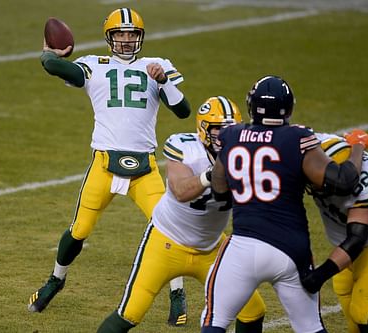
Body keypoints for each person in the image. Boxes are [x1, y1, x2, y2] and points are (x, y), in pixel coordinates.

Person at [28, 7, 191, 324]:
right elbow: (55, 67)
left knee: (170, 228)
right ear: (110, 37)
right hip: (103, 163)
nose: (126, 40)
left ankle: (177, 294)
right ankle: (56, 279)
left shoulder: (157, 66)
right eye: (120, 34)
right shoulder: (93, 65)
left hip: (144, 168)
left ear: (140, 37)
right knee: (79, 230)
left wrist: (165, 81)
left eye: (132, 34)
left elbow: (183, 111)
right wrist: (49, 54)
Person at [200, 75, 367, 333]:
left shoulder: (231, 135)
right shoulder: (297, 137)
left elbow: (220, 188)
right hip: (290, 250)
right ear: (288, 108)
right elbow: (343, 181)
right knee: (310, 327)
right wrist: (357, 148)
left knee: (214, 322)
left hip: (243, 246)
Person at [96, 96, 266, 332]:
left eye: (230, 129)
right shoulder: (185, 146)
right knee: (129, 314)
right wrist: (212, 176)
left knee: (253, 311)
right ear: (204, 129)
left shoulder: (247, 154)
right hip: (166, 243)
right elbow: (180, 191)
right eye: (217, 129)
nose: (223, 136)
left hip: (212, 248)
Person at [302, 133, 368, 333]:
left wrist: (319, 275)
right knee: (351, 317)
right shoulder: (313, 147)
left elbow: (356, 240)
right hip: (344, 239)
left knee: (363, 315)